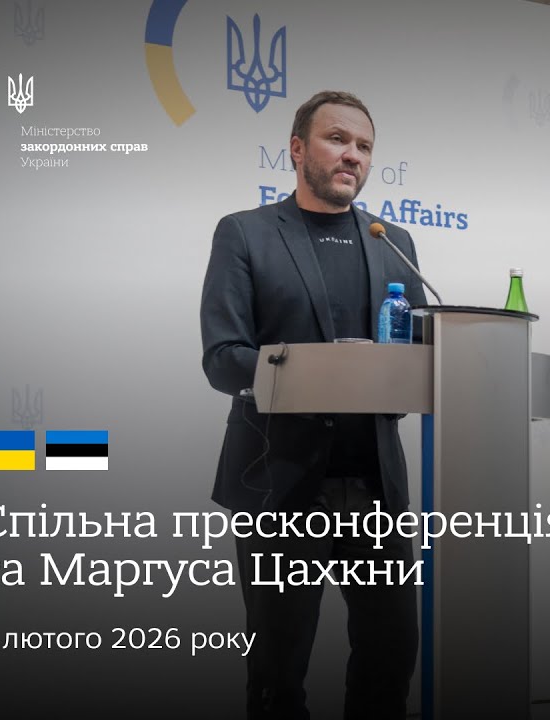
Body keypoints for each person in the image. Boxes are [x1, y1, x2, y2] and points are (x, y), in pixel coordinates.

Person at [200, 90, 424, 720]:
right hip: (278, 486)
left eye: (364, 146)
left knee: (390, 660)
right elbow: (223, 357)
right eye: (337, 139)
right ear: (297, 149)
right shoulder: (245, 233)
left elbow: (409, 361)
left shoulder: (393, 241)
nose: (352, 155)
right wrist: (322, 372)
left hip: (375, 489)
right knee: (278, 674)